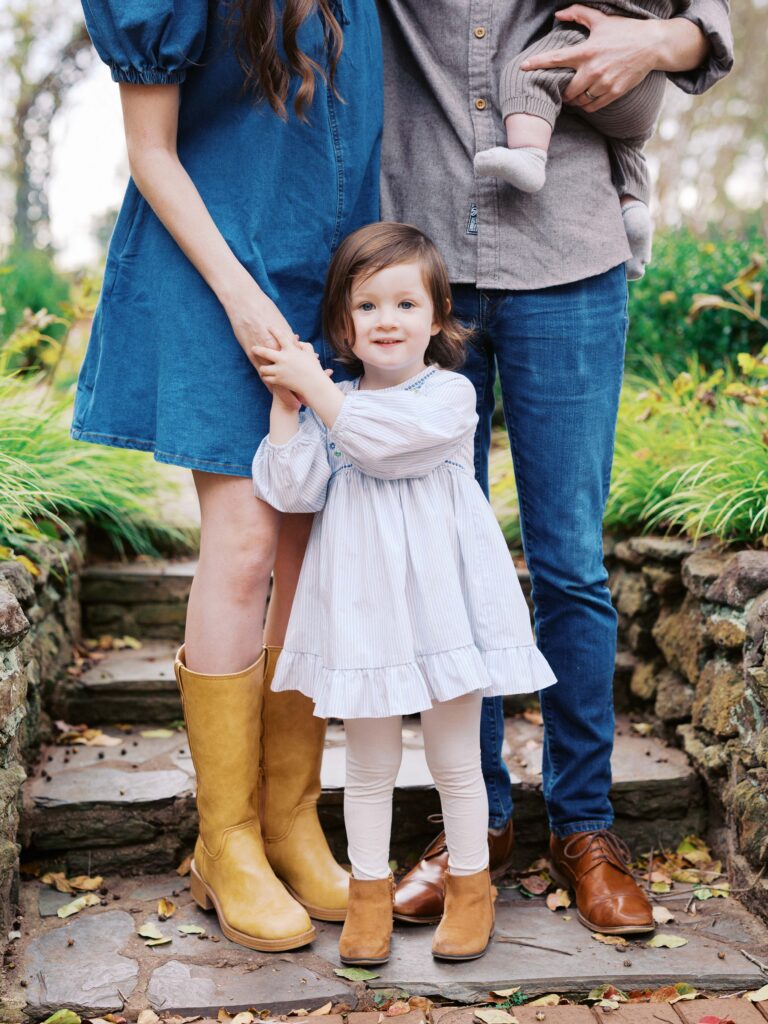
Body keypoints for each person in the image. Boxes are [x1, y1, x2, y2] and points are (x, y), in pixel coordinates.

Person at [378, 1, 733, 935]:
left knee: (570, 563)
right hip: (422, 270)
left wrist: (663, 39)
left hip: (569, 256)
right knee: (447, 561)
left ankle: (585, 827)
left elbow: (703, 17)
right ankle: (476, 824)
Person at [72, 0, 382, 951]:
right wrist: (242, 297)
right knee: (246, 541)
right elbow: (150, 150)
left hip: (329, 273)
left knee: (308, 549)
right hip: (216, 267)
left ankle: (291, 820)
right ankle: (228, 840)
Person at [251, 221, 556, 964]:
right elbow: (292, 490)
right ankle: (367, 896)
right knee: (367, 764)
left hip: (445, 605)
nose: (386, 320)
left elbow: (384, 447)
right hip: (365, 611)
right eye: (367, 306)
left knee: (454, 757)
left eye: (405, 304)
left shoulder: (449, 394)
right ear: (343, 322)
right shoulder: (331, 400)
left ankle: (471, 890)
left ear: (438, 315)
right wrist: (288, 407)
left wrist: (316, 392)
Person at [474, 0, 690, 280]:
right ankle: (634, 208)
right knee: (627, 143)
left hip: (596, 36)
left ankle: (529, 153)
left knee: (527, 74)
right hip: (648, 84)